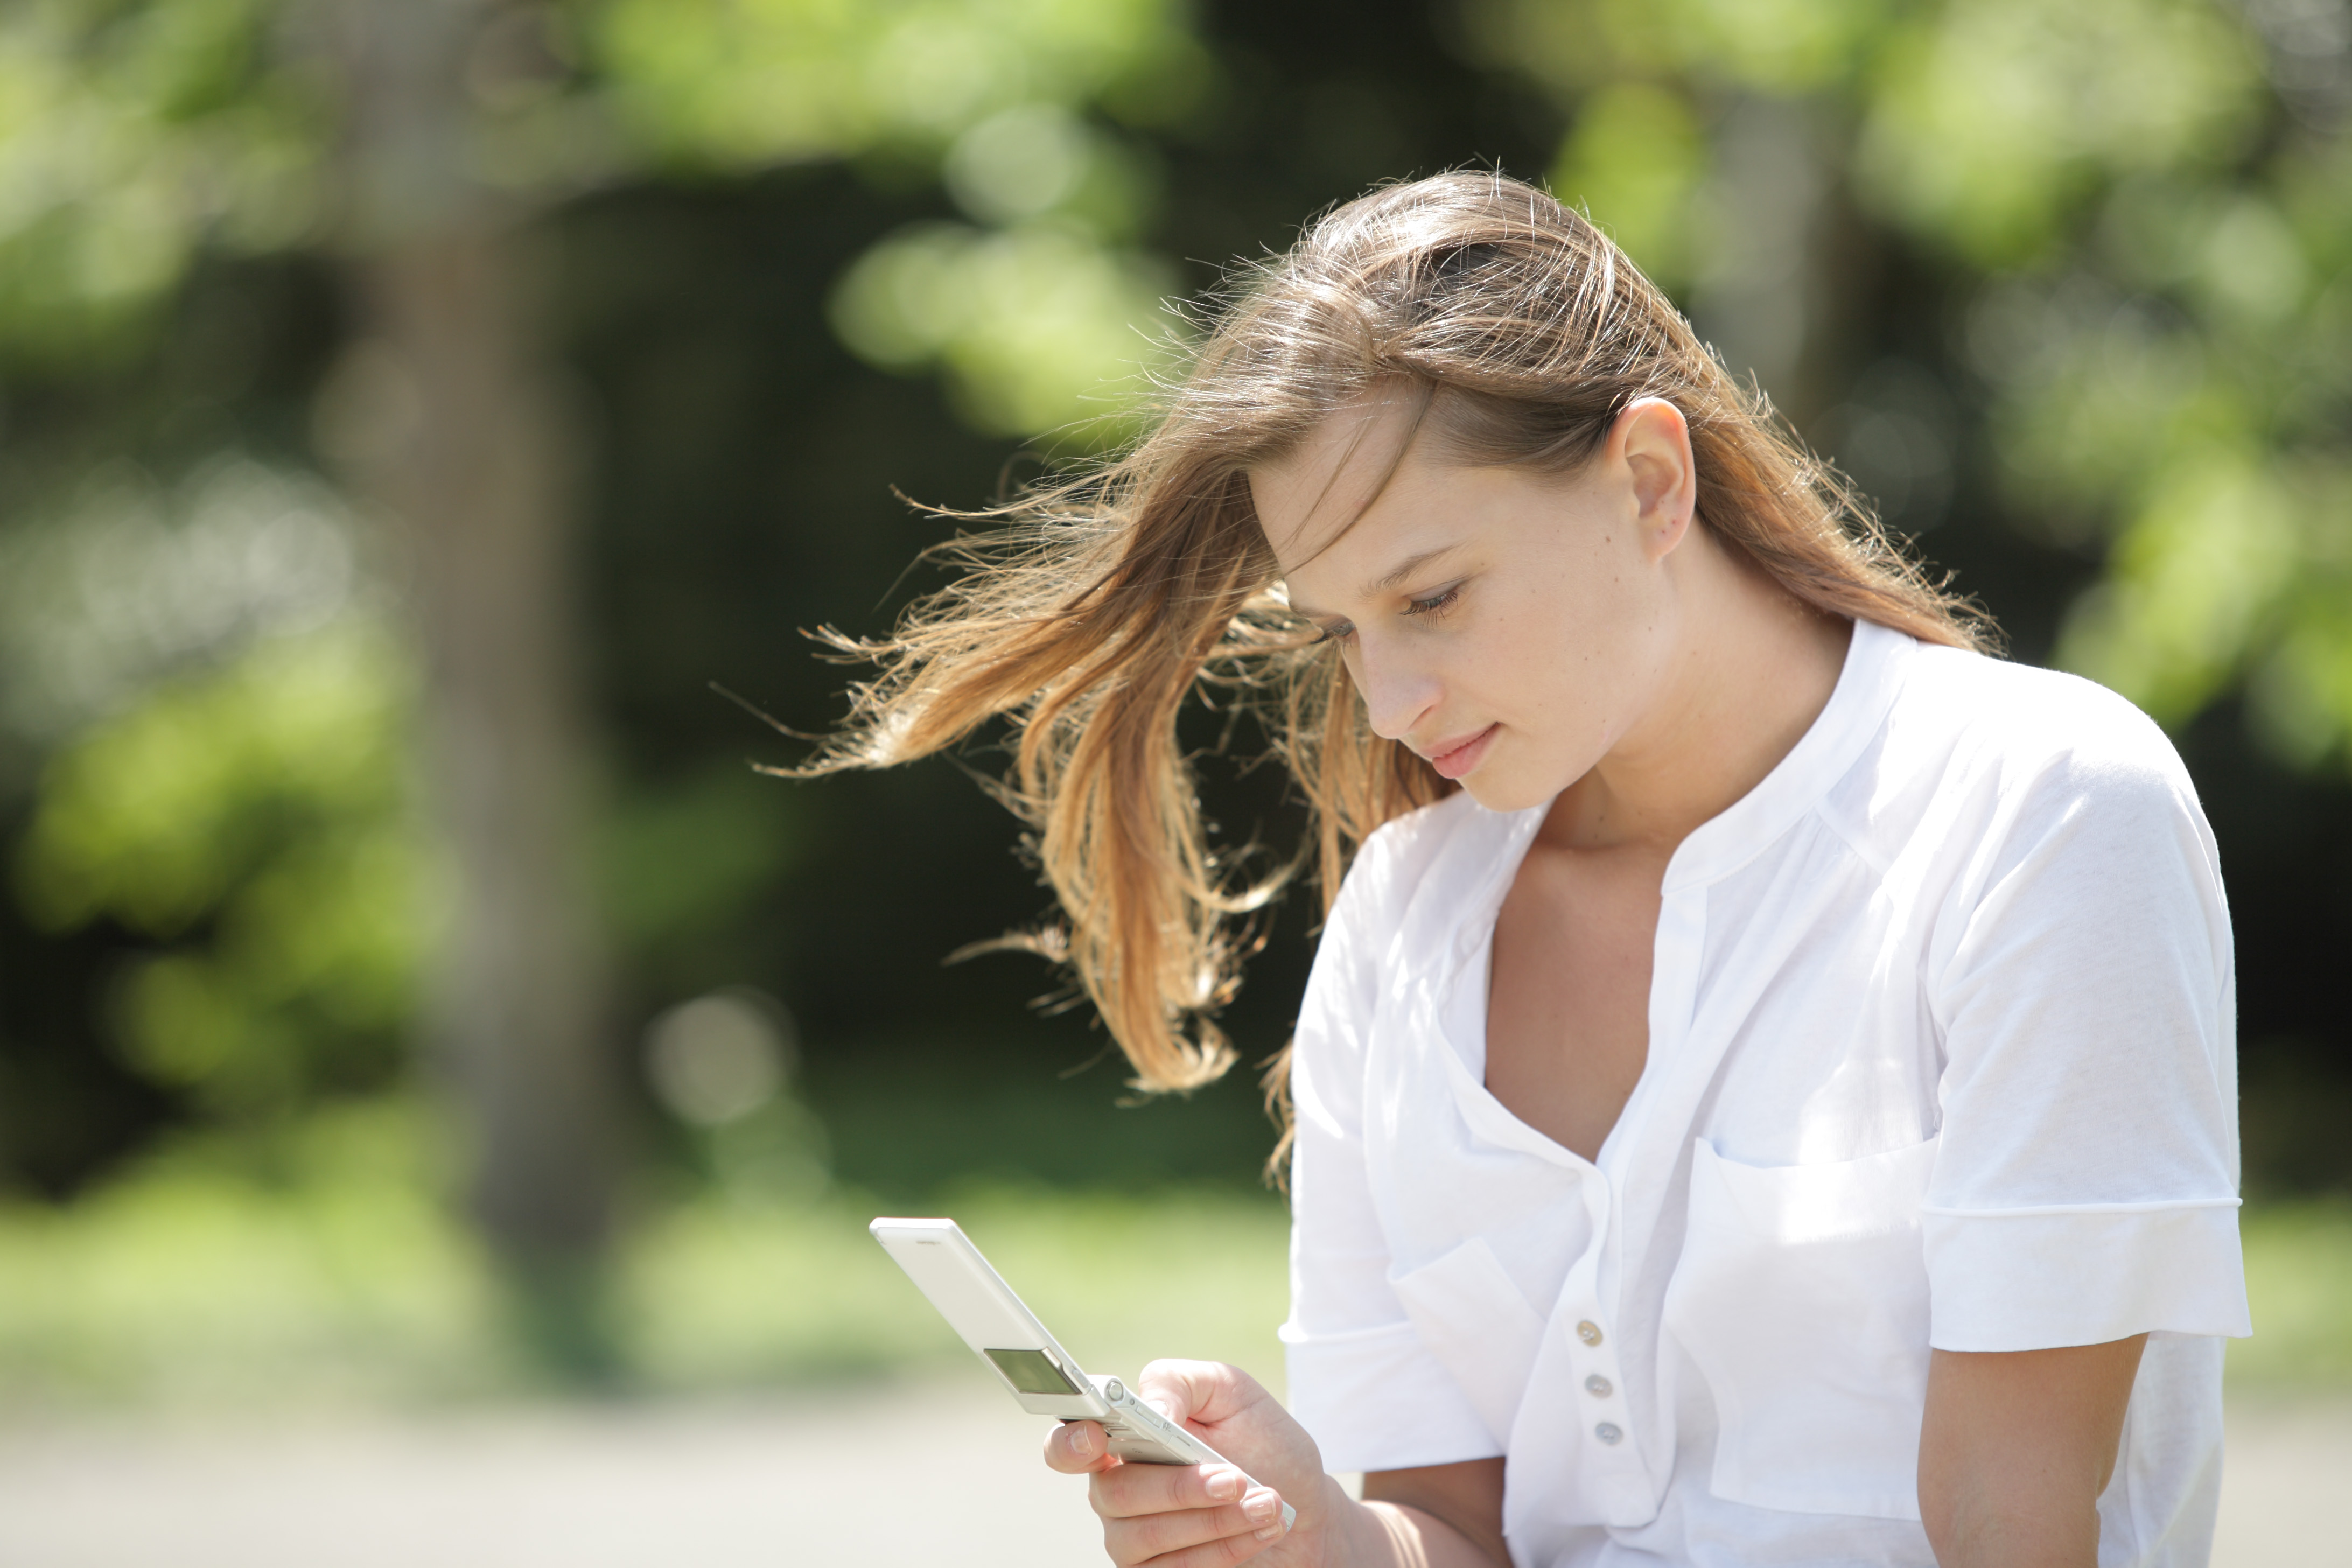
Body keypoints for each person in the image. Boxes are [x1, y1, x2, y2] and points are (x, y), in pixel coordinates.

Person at [799, 173, 2248, 1567]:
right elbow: (1458, 1527)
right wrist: (1317, 1533)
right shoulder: (1408, 920)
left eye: (1432, 597)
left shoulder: (2039, 812)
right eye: (1344, 632)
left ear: (1649, 481)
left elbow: (2013, 1519)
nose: (1386, 704)